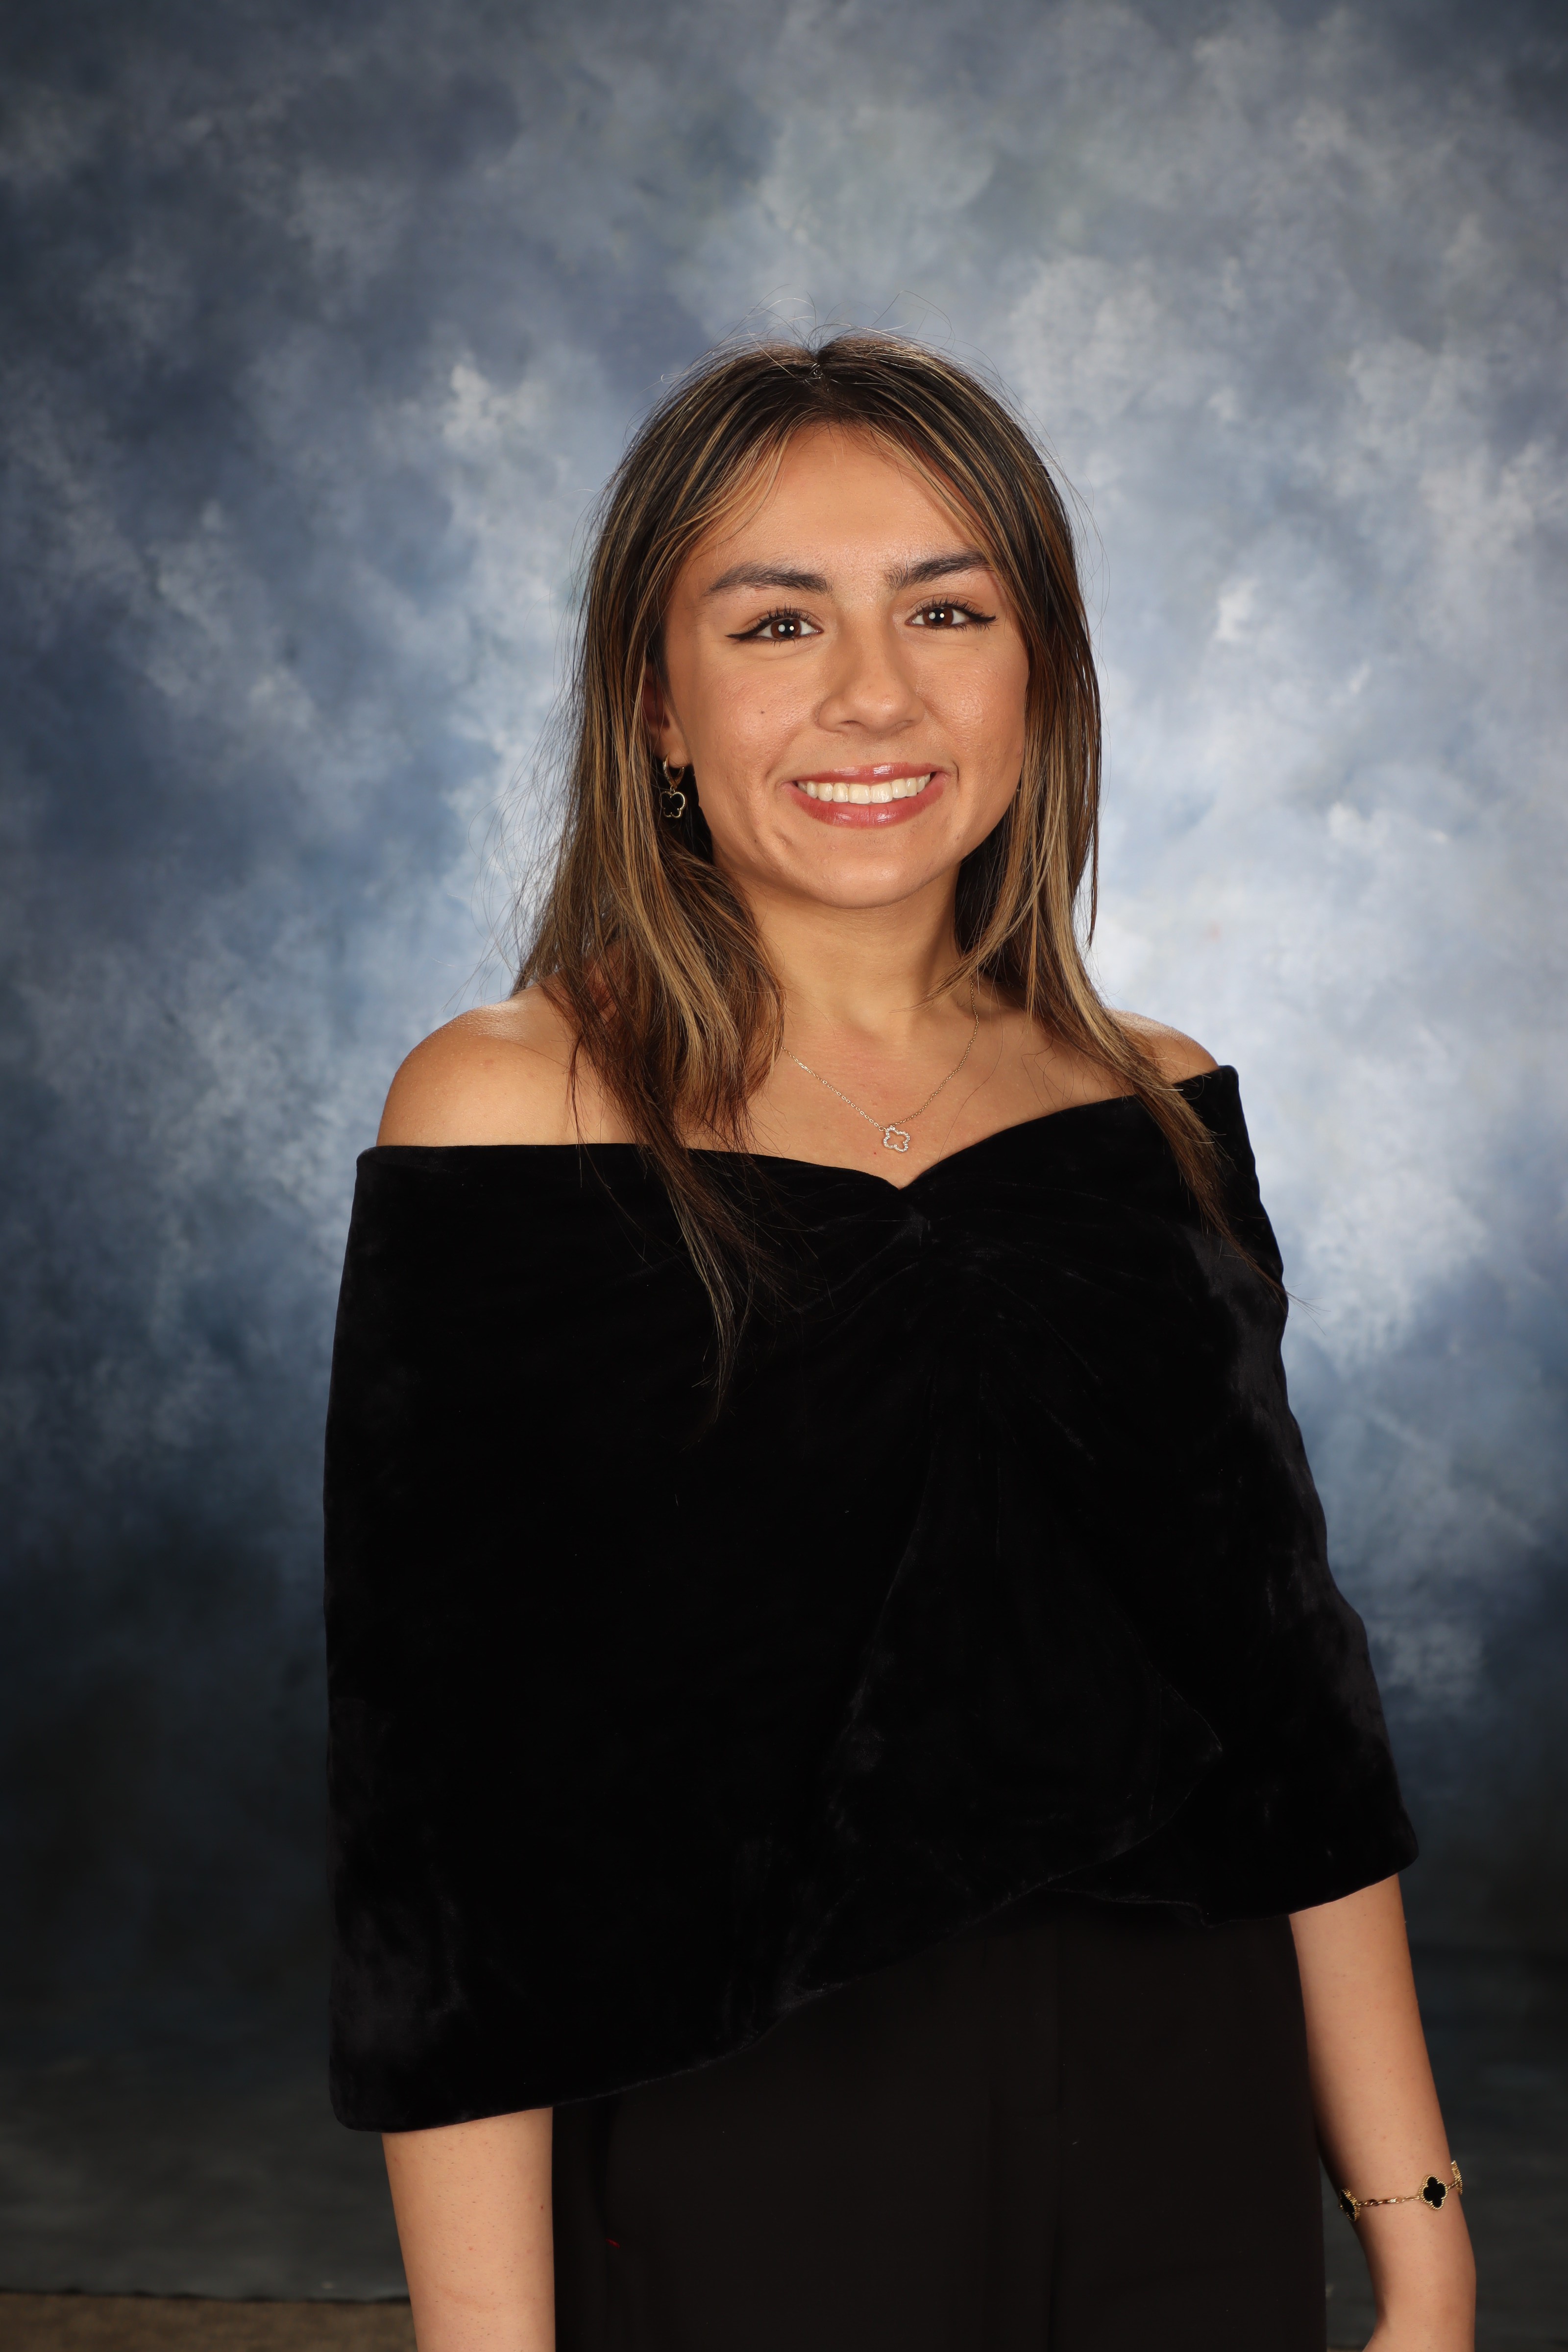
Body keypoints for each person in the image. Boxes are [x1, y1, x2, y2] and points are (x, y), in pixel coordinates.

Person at [324, 334, 1476, 2352]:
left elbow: (1294, 1707)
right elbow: (451, 1828)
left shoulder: (1156, 1107)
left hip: (1187, 2134)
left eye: (947, 610)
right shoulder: (511, 1110)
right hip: (746, 2149)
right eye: (778, 621)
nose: (874, 693)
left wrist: (1422, 2244)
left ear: (1041, 678)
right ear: (653, 701)